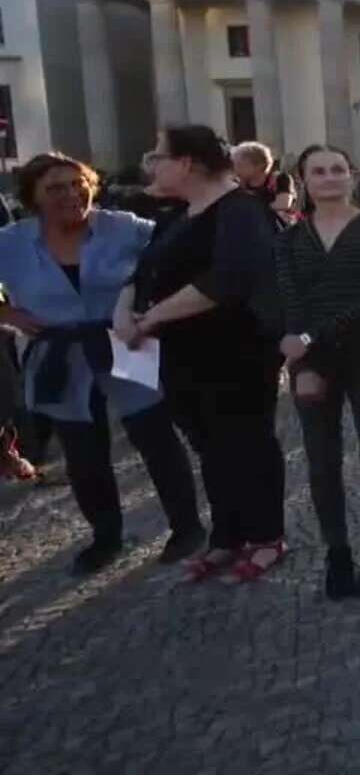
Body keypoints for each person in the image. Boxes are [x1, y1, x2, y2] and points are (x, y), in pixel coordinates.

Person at [0, 153, 203, 574]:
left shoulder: (122, 226)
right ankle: (106, 536)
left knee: (156, 438)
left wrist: (149, 302)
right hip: (57, 352)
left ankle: (187, 527)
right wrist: (7, 314)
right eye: (55, 188)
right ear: (32, 198)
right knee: (83, 454)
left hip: (124, 341)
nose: (72, 194)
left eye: (79, 183)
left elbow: (179, 247)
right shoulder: (12, 241)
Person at [122, 126, 285, 582]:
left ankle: (267, 536)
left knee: (248, 445)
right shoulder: (180, 214)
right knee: (210, 449)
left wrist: (151, 319)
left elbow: (226, 281)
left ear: (187, 163)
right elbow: (143, 269)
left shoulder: (240, 211)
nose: (153, 165)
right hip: (182, 356)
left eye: (159, 156)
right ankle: (227, 535)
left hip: (235, 353)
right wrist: (124, 308)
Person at [276, 144, 360, 599]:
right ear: (303, 179)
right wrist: (303, 361)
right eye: (318, 171)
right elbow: (291, 301)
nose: (329, 177)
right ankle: (338, 551)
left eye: (337, 169)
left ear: (351, 177)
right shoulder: (289, 239)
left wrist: (306, 340)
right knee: (322, 459)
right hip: (314, 362)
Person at [232, 141, 295, 224]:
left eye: (240, 165)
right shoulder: (239, 186)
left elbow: (283, 203)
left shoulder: (279, 179)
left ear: (259, 165)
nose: (236, 169)